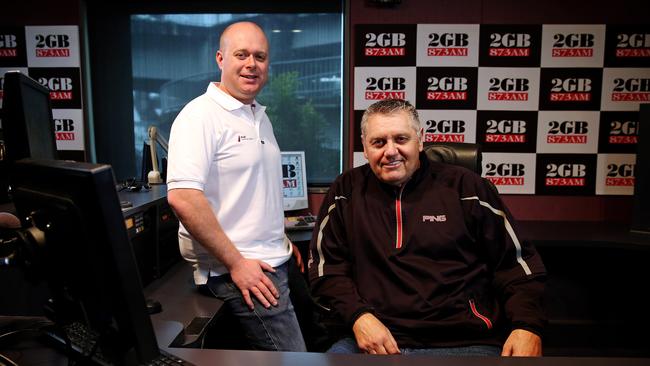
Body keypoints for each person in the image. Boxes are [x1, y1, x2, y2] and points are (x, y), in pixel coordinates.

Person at [308, 99, 546, 356]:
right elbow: (326, 270)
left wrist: (526, 326)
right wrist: (358, 317)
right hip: (374, 339)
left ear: (420, 140)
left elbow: (517, 265)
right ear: (365, 147)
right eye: (379, 142)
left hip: (464, 341)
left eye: (401, 139)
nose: (390, 151)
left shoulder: (467, 188)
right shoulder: (345, 191)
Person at [166, 21, 306, 352]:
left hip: (273, 257)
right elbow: (183, 198)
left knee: (320, 339)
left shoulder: (257, 114)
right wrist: (237, 264)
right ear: (220, 59)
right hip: (240, 270)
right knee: (297, 360)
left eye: (260, 56)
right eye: (241, 54)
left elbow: (250, 189)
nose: (251, 64)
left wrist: (278, 237)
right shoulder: (199, 116)